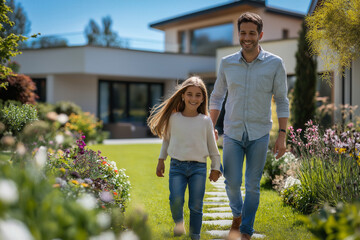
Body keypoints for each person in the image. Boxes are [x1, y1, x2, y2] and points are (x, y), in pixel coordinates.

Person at [209, 12, 289, 240]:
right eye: (243, 32)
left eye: (252, 33)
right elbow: (216, 97)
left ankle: (245, 230)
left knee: (252, 186)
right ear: (239, 34)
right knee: (232, 183)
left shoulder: (275, 64)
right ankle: (237, 214)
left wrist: (282, 135)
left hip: (260, 133)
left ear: (260, 35)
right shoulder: (227, 63)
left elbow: (282, 100)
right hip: (232, 132)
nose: (247, 37)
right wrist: (209, 128)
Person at [147, 76, 222, 240]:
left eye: (198, 95)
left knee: (196, 205)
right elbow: (167, 139)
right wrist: (161, 160)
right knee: (175, 199)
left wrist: (216, 167)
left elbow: (212, 147)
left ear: (203, 99)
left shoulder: (205, 121)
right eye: (189, 94)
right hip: (176, 167)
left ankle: (195, 235)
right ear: (182, 95)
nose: (193, 98)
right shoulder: (174, 119)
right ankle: (179, 224)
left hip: (198, 169)